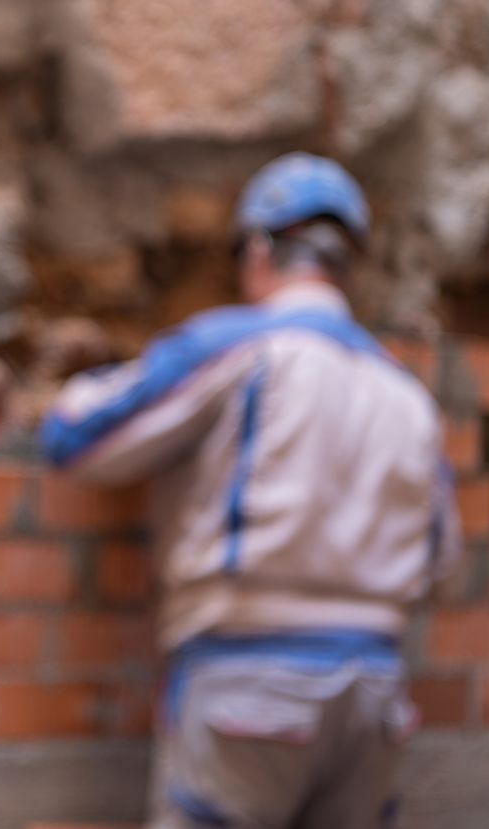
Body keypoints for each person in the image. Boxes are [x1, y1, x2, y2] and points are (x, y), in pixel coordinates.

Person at [40, 153, 461, 829]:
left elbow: (80, 439)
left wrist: (71, 384)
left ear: (261, 249)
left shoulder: (239, 347)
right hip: (374, 693)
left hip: (251, 682)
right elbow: (442, 559)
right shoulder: (407, 394)